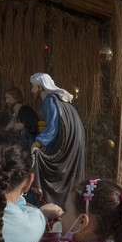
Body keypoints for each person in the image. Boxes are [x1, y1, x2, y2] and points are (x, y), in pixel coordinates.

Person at [29, 73, 86, 209]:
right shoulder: (58, 100)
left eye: (33, 87)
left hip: (63, 146)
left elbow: (52, 128)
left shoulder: (49, 101)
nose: (32, 90)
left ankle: (42, 202)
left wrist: (36, 144)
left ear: (41, 88)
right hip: (72, 145)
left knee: (38, 161)